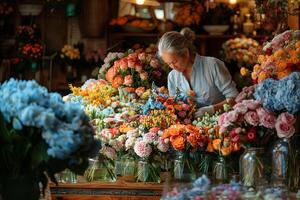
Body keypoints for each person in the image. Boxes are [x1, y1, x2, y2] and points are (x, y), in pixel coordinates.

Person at [158, 28, 238, 117]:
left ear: (185, 53)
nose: (173, 67)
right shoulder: (172, 77)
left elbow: (235, 98)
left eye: (175, 61)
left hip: (222, 122)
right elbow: (173, 106)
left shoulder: (212, 65)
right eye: (168, 63)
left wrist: (212, 109)